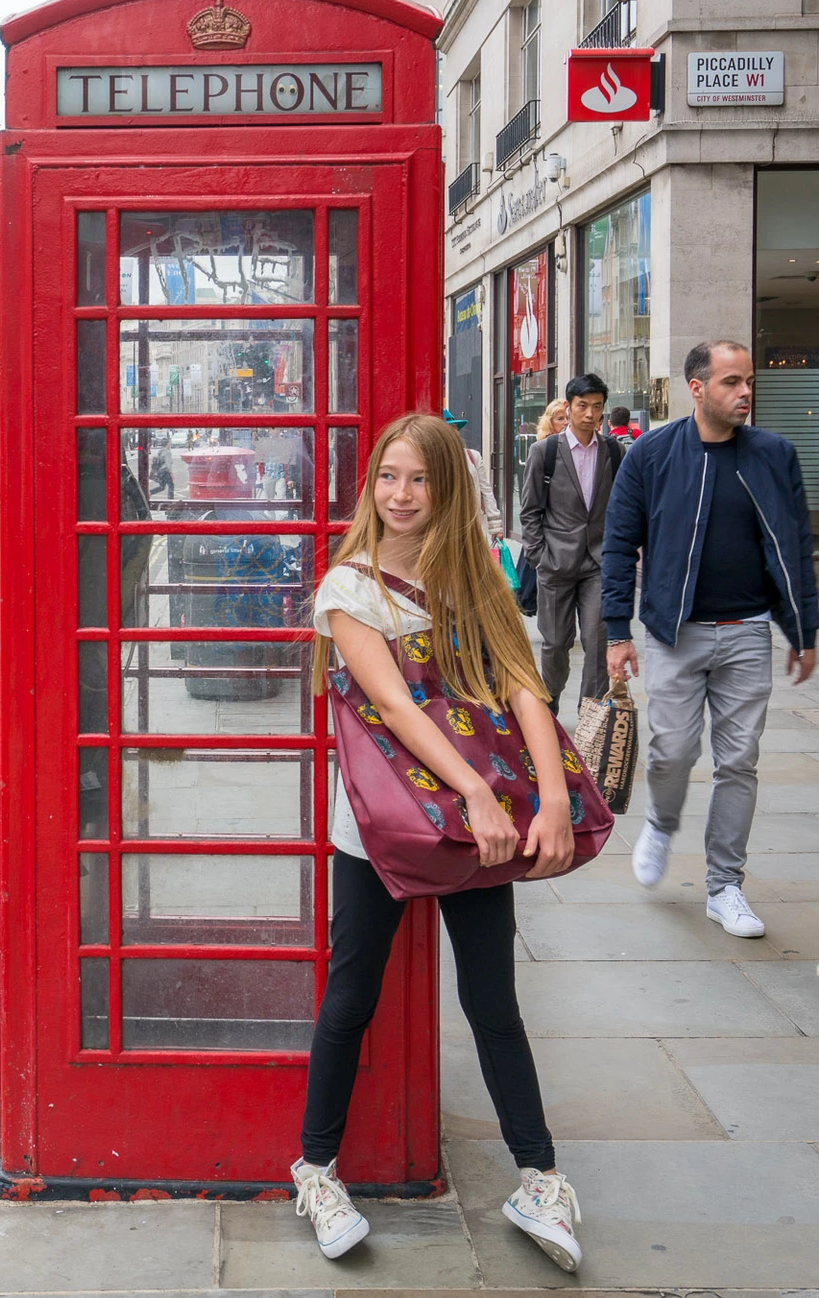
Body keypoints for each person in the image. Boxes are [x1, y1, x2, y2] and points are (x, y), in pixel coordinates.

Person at [297, 413, 581, 1272]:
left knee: (493, 1002)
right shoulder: (349, 590)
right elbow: (393, 703)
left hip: (476, 827)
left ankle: (540, 1176)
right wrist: (476, 796)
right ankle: (315, 1169)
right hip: (382, 829)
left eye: (419, 479)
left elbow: (524, 687)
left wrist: (556, 798)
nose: (401, 495)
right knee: (352, 997)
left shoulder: (477, 581)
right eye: (389, 477)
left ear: (447, 488)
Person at [605, 340, 819, 937]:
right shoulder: (651, 454)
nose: (744, 391)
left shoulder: (774, 454)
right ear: (697, 388)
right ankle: (662, 823)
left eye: (747, 381)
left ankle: (726, 886)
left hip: (749, 633)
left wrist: (805, 629)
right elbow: (619, 544)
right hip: (675, 635)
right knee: (672, 752)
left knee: (739, 763)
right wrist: (617, 631)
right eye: (730, 382)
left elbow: (796, 547)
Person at [520, 375, 623, 715]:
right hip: (556, 564)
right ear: (568, 407)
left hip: (598, 564)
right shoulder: (544, 452)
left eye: (597, 407)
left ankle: (590, 714)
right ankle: (547, 708)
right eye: (582, 406)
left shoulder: (613, 450)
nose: (590, 414)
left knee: (596, 644)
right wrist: (540, 557)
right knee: (556, 645)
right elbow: (530, 510)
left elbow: (622, 505)